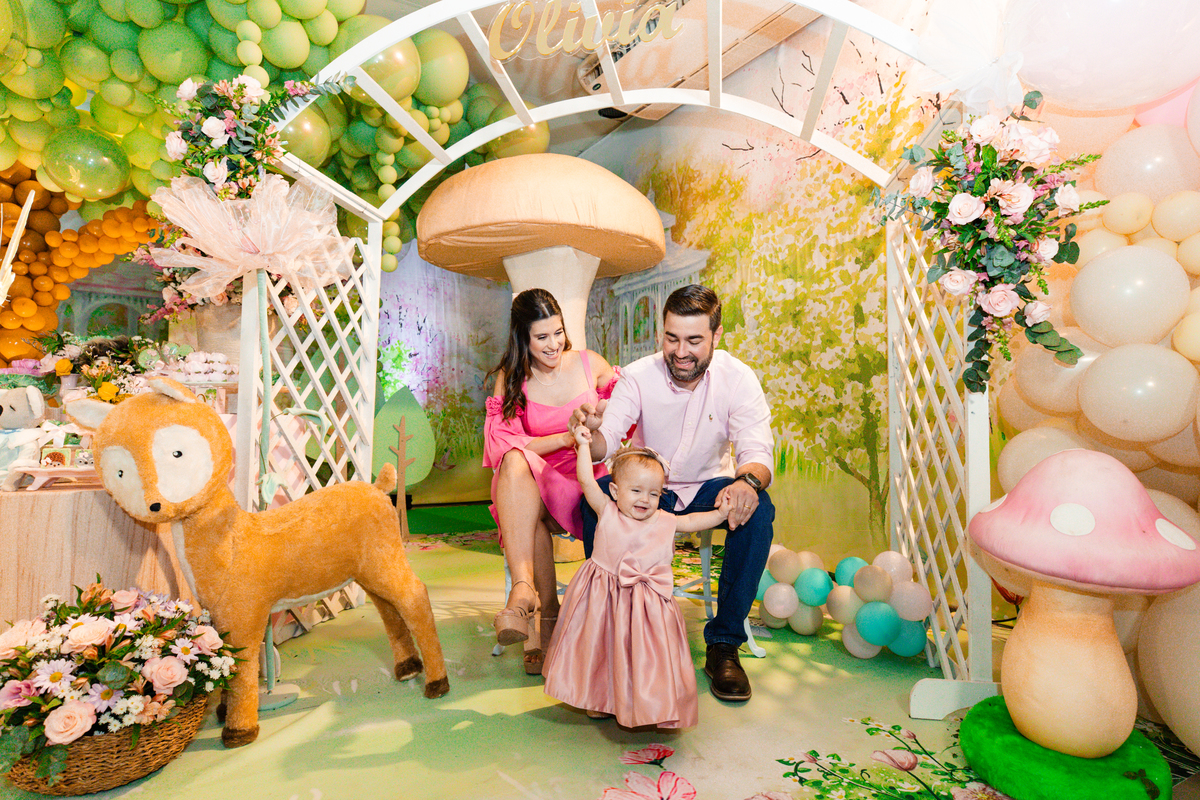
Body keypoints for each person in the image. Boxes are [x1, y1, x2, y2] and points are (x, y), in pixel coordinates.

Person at [571, 284, 774, 702]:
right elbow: (607, 440)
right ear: (661, 333)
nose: (681, 352)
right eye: (672, 338)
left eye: (694, 340)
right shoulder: (638, 375)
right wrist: (588, 434)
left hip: (709, 486)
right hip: (650, 487)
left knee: (758, 510)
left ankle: (724, 645)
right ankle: (610, 630)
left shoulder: (738, 379)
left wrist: (748, 484)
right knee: (594, 504)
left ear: (716, 335)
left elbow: (757, 452)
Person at [542, 434, 732, 728]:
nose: (645, 499)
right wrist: (583, 446)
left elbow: (694, 521)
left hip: (646, 607)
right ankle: (599, 699)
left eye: (654, 494)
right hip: (604, 598)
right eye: (636, 491)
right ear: (615, 491)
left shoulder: (666, 521)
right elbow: (587, 481)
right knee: (601, 651)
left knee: (643, 657)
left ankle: (643, 704)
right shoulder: (606, 510)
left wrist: (721, 513)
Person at [483, 288, 619, 675]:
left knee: (526, 514)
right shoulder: (512, 379)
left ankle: (536, 607)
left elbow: (626, 414)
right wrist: (563, 437)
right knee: (514, 463)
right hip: (533, 479)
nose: (553, 344)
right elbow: (501, 445)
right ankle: (534, 598)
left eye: (558, 332)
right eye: (541, 337)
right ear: (522, 338)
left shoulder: (591, 364)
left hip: (585, 478)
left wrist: (597, 420)